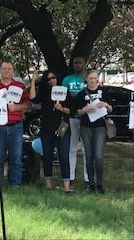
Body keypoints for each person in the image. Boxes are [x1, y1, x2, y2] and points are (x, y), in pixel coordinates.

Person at [29, 70, 72, 192]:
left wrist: (62, 108)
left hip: (63, 127)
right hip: (47, 129)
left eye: (53, 77)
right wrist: (33, 80)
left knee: (64, 157)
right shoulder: (44, 93)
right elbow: (32, 98)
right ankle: (48, 184)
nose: (52, 80)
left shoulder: (64, 92)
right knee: (47, 157)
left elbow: (72, 110)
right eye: (48, 79)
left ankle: (67, 187)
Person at [0, 59, 29, 188]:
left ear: (12, 71)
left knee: (16, 156)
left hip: (16, 126)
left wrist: (17, 108)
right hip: (0, 126)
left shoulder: (19, 87)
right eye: (4, 69)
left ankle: (15, 184)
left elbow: (28, 104)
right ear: (0, 71)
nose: (6, 71)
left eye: (9, 69)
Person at [76, 70, 113, 193]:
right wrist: (84, 110)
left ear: (98, 79)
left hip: (100, 127)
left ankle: (100, 183)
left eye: (94, 78)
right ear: (86, 80)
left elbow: (111, 109)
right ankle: (91, 184)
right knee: (89, 156)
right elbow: (77, 112)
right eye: (90, 78)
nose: (92, 80)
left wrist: (106, 105)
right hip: (86, 127)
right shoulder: (82, 94)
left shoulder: (104, 92)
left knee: (98, 156)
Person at [62, 56, 89, 187]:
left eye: (80, 62)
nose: (77, 65)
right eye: (75, 63)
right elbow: (62, 98)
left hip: (86, 118)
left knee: (85, 149)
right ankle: (71, 177)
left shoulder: (88, 79)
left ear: (85, 63)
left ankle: (87, 179)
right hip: (71, 117)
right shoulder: (67, 80)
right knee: (72, 148)